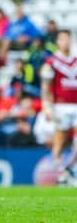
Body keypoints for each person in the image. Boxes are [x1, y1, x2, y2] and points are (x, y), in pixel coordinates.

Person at [40, 30, 77, 185]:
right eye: (62, 39)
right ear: (57, 42)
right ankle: (61, 173)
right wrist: (46, 106)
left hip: (76, 105)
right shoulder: (51, 62)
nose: (66, 42)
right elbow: (45, 87)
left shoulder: (75, 60)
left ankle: (69, 168)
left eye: (68, 39)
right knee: (60, 141)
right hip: (60, 106)